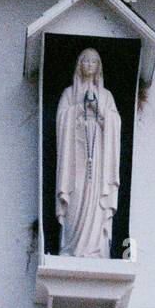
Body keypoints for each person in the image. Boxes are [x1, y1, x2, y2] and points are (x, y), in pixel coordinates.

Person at [55, 47, 121, 258]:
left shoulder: (106, 96)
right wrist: (80, 108)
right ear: (79, 65)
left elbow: (115, 123)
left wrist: (99, 109)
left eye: (93, 62)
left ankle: (96, 248)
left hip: (99, 157)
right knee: (76, 196)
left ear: (98, 67)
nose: (89, 65)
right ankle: (72, 246)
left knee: (95, 199)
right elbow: (60, 120)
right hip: (75, 156)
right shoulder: (69, 93)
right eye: (85, 61)